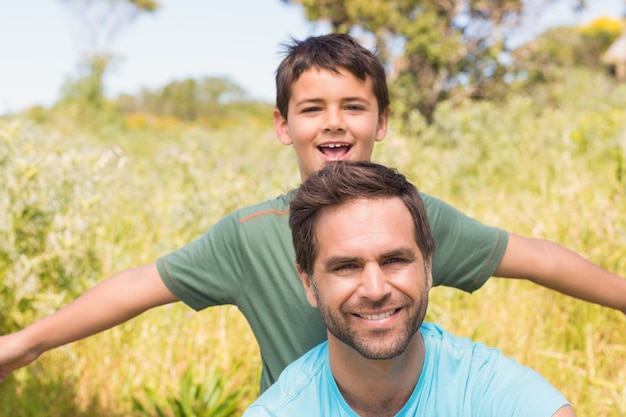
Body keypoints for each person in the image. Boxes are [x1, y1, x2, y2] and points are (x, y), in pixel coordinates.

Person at [0, 33, 624, 393]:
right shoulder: (248, 235)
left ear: (382, 122)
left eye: (354, 106)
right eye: (312, 108)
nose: (333, 121)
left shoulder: (414, 220)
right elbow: (138, 287)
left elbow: (536, 256)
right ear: (282, 125)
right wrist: (25, 345)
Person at [243, 160, 576, 417]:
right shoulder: (280, 411)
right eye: (346, 266)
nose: (375, 290)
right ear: (309, 284)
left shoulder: (488, 389)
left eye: (394, 260)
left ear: (428, 267)